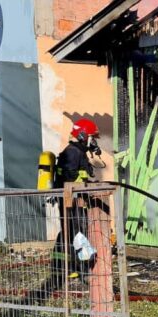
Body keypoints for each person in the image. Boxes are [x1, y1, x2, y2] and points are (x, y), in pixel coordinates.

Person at [40, 119, 101, 297]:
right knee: (75, 232)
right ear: (82, 136)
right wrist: (85, 185)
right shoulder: (72, 152)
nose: (93, 141)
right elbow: (69, 177)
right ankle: (75, 269)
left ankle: (65, 267)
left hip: (74, 200)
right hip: (70, 201)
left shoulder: (77, 151)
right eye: (91, 137)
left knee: (70, 232)